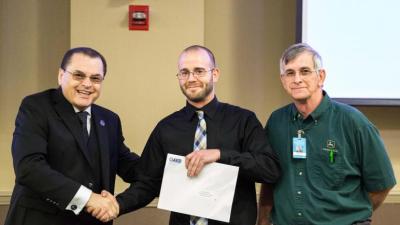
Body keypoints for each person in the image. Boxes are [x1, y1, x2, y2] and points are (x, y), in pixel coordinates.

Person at [102, 45, 280, 225]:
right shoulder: (166, 128)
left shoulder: (243, 120)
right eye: (184, 72)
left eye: (199, 71)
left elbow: (269, 169)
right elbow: (148, 182)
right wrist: (116, 205)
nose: (191, 78)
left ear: (215, 74)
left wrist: (221, 155)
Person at [257, 43, 397, 225]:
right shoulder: (277, 122)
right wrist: (263, 219)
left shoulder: (353, 122)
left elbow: (382, 184)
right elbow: (270, 178)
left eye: (305, 71)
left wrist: (348, 216)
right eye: (290, 73)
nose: (297, 79)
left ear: (320, 76)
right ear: (283, 80)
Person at [5, 47, 140, 225]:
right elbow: (29, 168)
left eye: (95, 78)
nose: (87, 84)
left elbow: (129, 166)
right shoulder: (36, 107)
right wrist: (88, 198)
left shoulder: (109, 119)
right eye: (78, 75)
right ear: (61, 75)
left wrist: (175, 167)